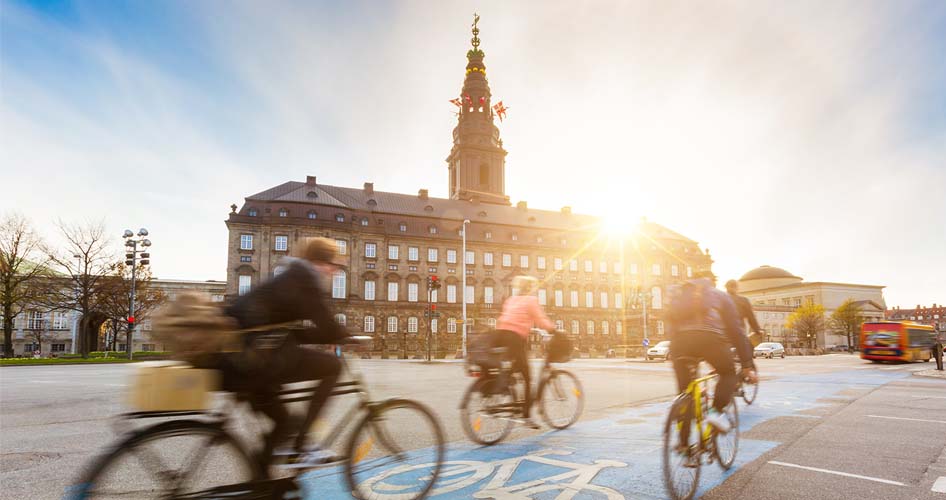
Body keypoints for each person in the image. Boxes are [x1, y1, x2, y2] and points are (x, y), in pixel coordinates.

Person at [223, 237, 349, 469]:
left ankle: (261, 486)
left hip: (242, 357)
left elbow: (296, 333)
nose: (334, 270)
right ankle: (302, 445)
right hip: (254, 358)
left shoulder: (292, 276)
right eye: (332, 264)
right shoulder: (304, 279)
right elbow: (326, 324)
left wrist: (332, 335)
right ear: (320, 262)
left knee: (284, 424)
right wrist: (345, 335)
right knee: (333, 366)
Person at [667, 271, 757, 435]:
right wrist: (746, 364)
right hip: (710, 339)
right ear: (711, 281)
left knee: (685, 392)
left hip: (679, 343)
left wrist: (674, 348)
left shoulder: (679, 294)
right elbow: (736, 332)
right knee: (728, 372)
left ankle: (684, 446)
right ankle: (716, 412)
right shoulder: (720, 296)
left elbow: (670, 322)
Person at [494, 275, 556, 429]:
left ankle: (503, 386)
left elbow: (505, 319)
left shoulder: (510, 300)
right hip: (515, 339)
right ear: (530, 288)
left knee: (513, 369)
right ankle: (527, 416)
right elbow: (541, 320)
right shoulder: (530, 300)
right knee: (527, 377)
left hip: (501, 335)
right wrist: (554, 329)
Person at [725, 279, 764, 348]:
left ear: (726, 288)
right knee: (745, 356)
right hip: (738, 334)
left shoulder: (719, 299)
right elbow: (751, 318)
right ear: (737, 288)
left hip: (721, 334)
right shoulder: (743, 300)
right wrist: (757, 330)